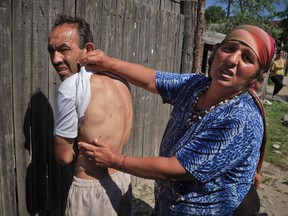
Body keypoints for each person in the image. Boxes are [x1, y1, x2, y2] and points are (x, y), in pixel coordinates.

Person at [78, 25, 275, 215]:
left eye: (247, 57)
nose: (232, 59)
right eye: (229, 48)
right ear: (216, 53)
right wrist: (109, 63)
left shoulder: (240, 119)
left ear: (257, 75)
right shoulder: (197, 85)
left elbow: (176, 168)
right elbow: (153, 80)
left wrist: (114, 160)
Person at [48, 14, 133, 216]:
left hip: (91, 191)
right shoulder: (120, 79)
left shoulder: (72, 86)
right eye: (51, 51)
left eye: (64, 49)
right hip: (121, 179)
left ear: (87, 49)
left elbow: (63, 157)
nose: (55, 59)